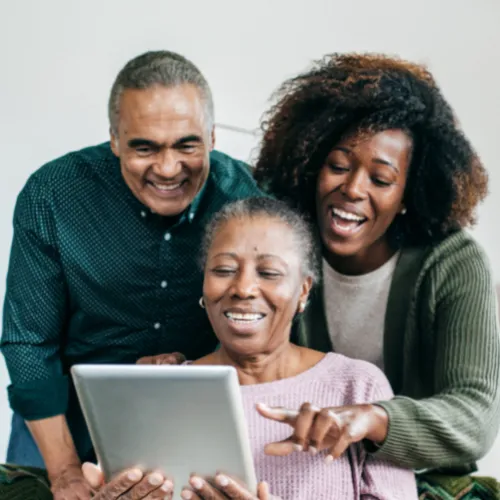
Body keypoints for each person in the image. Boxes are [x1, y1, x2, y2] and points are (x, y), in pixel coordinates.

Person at [0, 50, 263, 499]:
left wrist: (192, 371)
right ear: (115, 140)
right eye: (144, 147)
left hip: (198, 416)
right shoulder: (52, 195)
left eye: (186, 144)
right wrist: (64, 472)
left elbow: (272, 326)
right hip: (64, 418)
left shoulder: (251, 198)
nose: (167, 168)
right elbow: (29, 341)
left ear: (213, 137)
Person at [252, 53, 500, 476]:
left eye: (380, 180)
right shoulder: (286, 244)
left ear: (409, 193)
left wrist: (373, 419)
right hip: (307, 474)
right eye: (339, 166)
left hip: (422, 482)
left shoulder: (453, 262)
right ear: (312, 165)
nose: (352, 189)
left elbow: (475, 414)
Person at [80, 196, 419, 500]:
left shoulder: (357, 387)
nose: (243, 288)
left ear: (303, 291)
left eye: (269, 272)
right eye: (224, 270)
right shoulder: (155, 389)